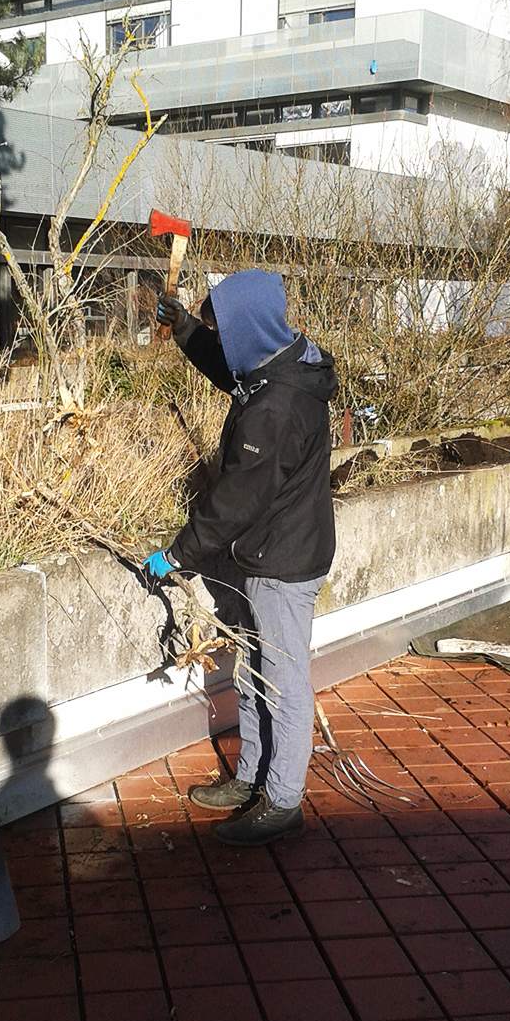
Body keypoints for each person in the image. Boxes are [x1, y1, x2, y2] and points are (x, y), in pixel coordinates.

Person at [142, 268, 338, 846]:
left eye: (221, 327)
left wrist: (175, 555)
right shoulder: (279, 366)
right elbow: (234, 371)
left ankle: (283, 800)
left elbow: (235, 500)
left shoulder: (276, 409)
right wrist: (186, 331)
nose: (220, 338)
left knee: (282, 680)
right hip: (263, 551)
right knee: (253, 670)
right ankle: (251, 776)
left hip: (282, 561)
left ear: (248, 327)